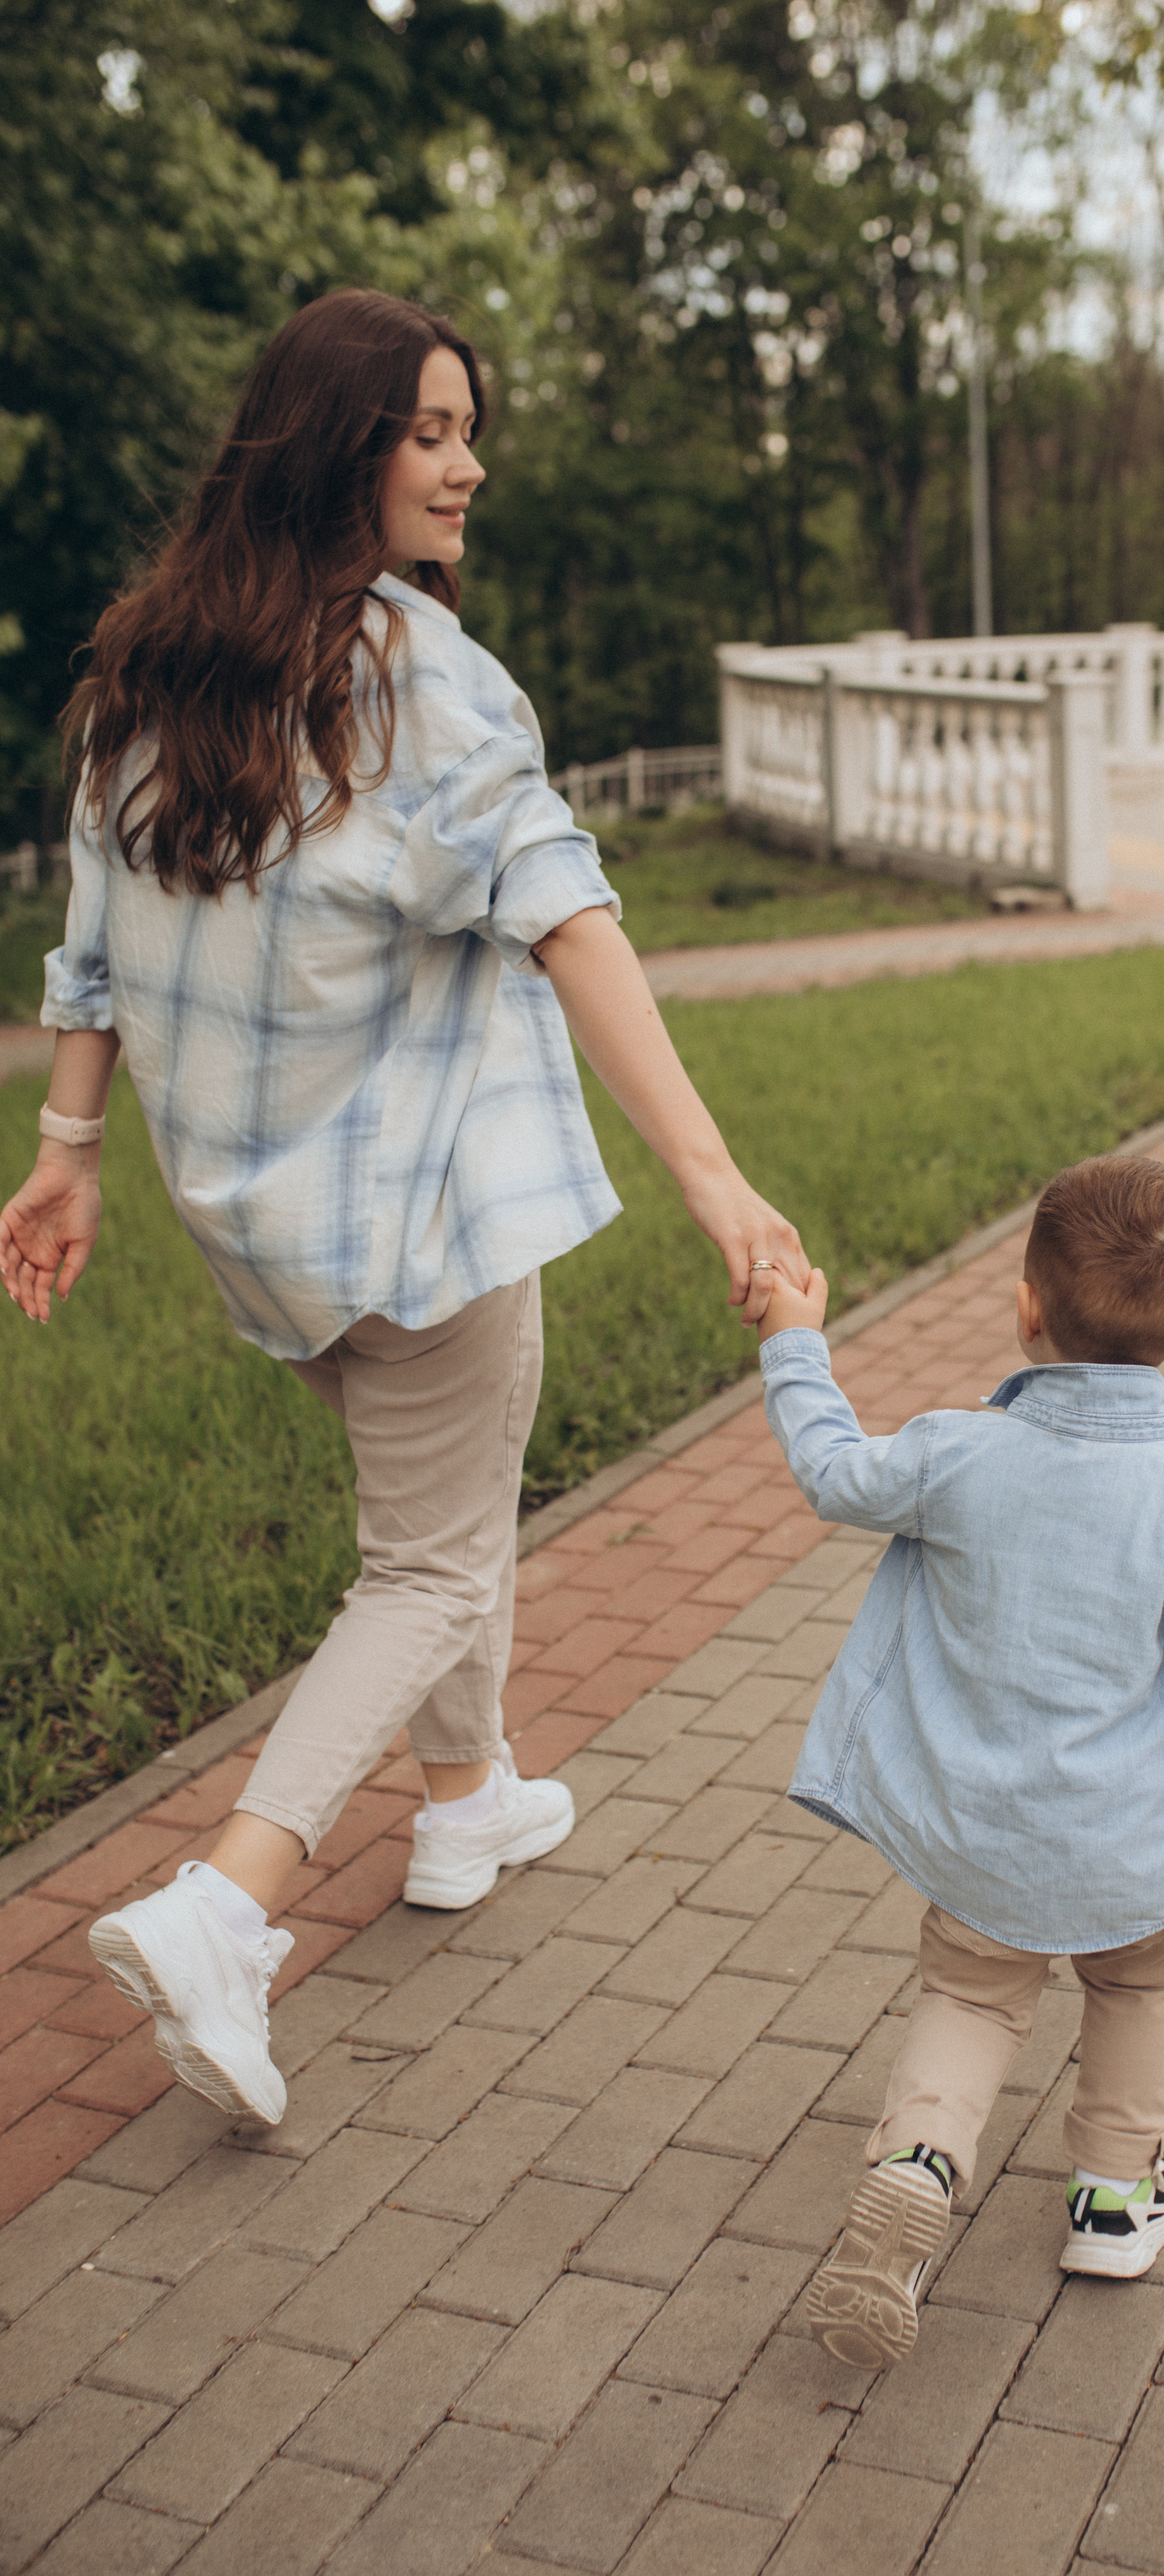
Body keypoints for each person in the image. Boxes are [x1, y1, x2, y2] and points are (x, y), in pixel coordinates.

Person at [0, 288, 806, 2129]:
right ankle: (229, 1904)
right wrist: (715, 1176)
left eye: (470, 429)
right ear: (342, 445)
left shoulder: (147, 663)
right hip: (422, 1220)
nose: (470, 463)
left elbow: (92, 930)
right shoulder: (421, 680)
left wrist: (66, 1150)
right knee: (430, 1558)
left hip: (257, 1226)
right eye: (434, 430)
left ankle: (469, 1806)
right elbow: (571, 917)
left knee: (445, 1511)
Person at [751, 1151, 1164, 2369]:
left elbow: (830, 1473)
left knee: (970, 1997)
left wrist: (796, 1341)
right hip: (1130, 1851)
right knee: (1132, 1995)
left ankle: (918, 2164)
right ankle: (1116, 2206)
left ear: (1027, 1306)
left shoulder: (958, 1454)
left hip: (981, 1844)